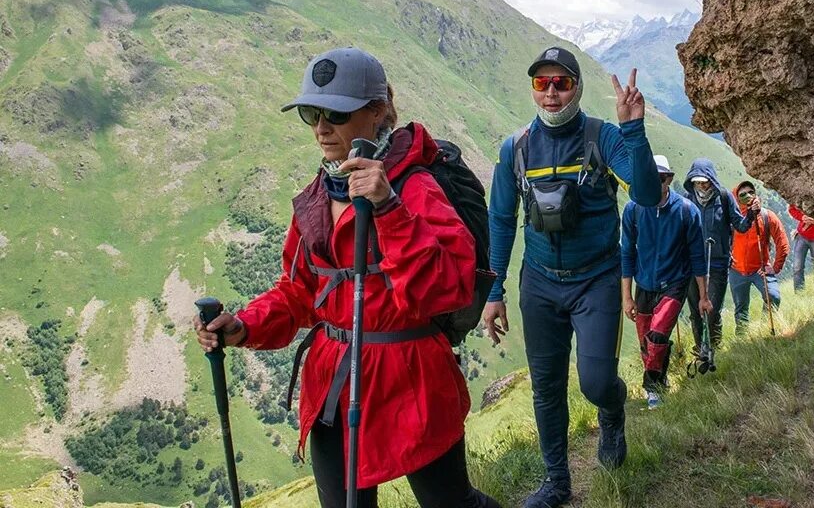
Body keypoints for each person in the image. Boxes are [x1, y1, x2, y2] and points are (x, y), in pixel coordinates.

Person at [193, 47, 500, 508]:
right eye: (311, 114)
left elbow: (447, 287)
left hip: (412, 379)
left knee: (451, 504)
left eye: (335, 113)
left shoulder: (416, 187)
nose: (321, 128)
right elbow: (298, 293)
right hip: (334, 384)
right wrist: (246, 326)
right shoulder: (317, 195)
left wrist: (389, 209)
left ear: (378, 113)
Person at [482, 46, 660, 508]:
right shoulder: (516, 148)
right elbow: (501, 220)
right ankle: (557, 482)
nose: (552, 92)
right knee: (546, 385)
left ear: (577, 86)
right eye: (542, 83)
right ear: (533, 89)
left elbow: (644, 192)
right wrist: (494, 288)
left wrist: (633, 128)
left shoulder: (604, 138)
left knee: (595, 381)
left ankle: (612, 411)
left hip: (596, 278)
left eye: (561, 82)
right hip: (538, 282)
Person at [621, 155, 709, 409]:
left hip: (675, 283)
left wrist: (703, 297)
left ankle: (652, 389)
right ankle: (661, 381)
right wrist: (626, 297)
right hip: (644, 284)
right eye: (651, 178)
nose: (656, 183)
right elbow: (627, 253)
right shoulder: (634, 210)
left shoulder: (686, 211)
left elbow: (697, 258)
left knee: (658, 335)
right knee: (645, 340)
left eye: (661, 178)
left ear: (668, 180)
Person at [682, 158, 756, 363]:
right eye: (697, 181)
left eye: (705, 181)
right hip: (693, 264)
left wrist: (751, 215)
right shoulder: (687, 198)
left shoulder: (723, 198)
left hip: (717, 264)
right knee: (696, 311)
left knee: (712, 311)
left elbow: (740, 226)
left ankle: (714, 349)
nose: (702, 185)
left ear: (711, 179)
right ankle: (701, 353)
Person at [729, 182, 789, 333]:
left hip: (760, 269)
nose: (748, 196)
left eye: (751, 192)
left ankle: (764, 327)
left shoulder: (766, 216)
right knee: (741, 308)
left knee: (773, 296)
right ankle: (742, 341)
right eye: (742, 194)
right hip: (736, 270)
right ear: (736, 198)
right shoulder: (732, 219)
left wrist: (775, 267)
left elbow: (782, 242)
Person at [788, 202, 814, 291]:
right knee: (797, 267)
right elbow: (791, 209)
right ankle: (799, 294)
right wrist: (802, 217)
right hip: (802, 236)